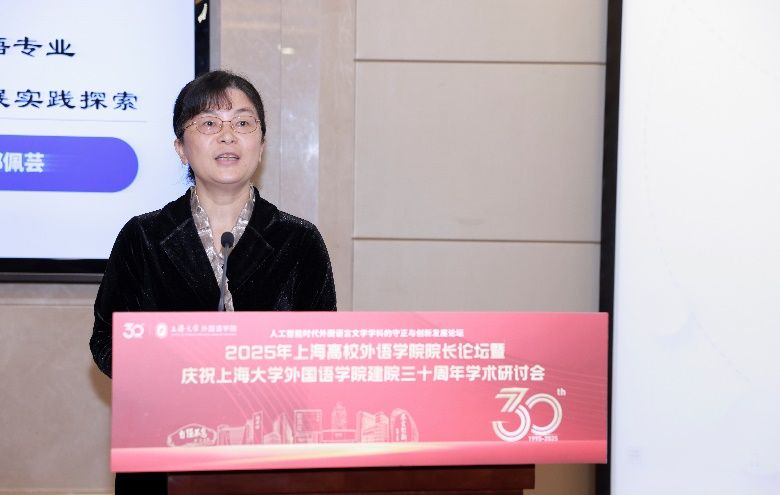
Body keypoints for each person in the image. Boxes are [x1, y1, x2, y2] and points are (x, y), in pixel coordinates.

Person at [90, 70, 336, 493]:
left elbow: (321, 351)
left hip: (269, 455)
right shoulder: (143, 237)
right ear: (181, 149)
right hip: (164, 448)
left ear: (261, 144)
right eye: (208, 123)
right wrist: (179, 380)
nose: (227, 135)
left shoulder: (299, 240)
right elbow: (106, 342)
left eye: (243, 122)